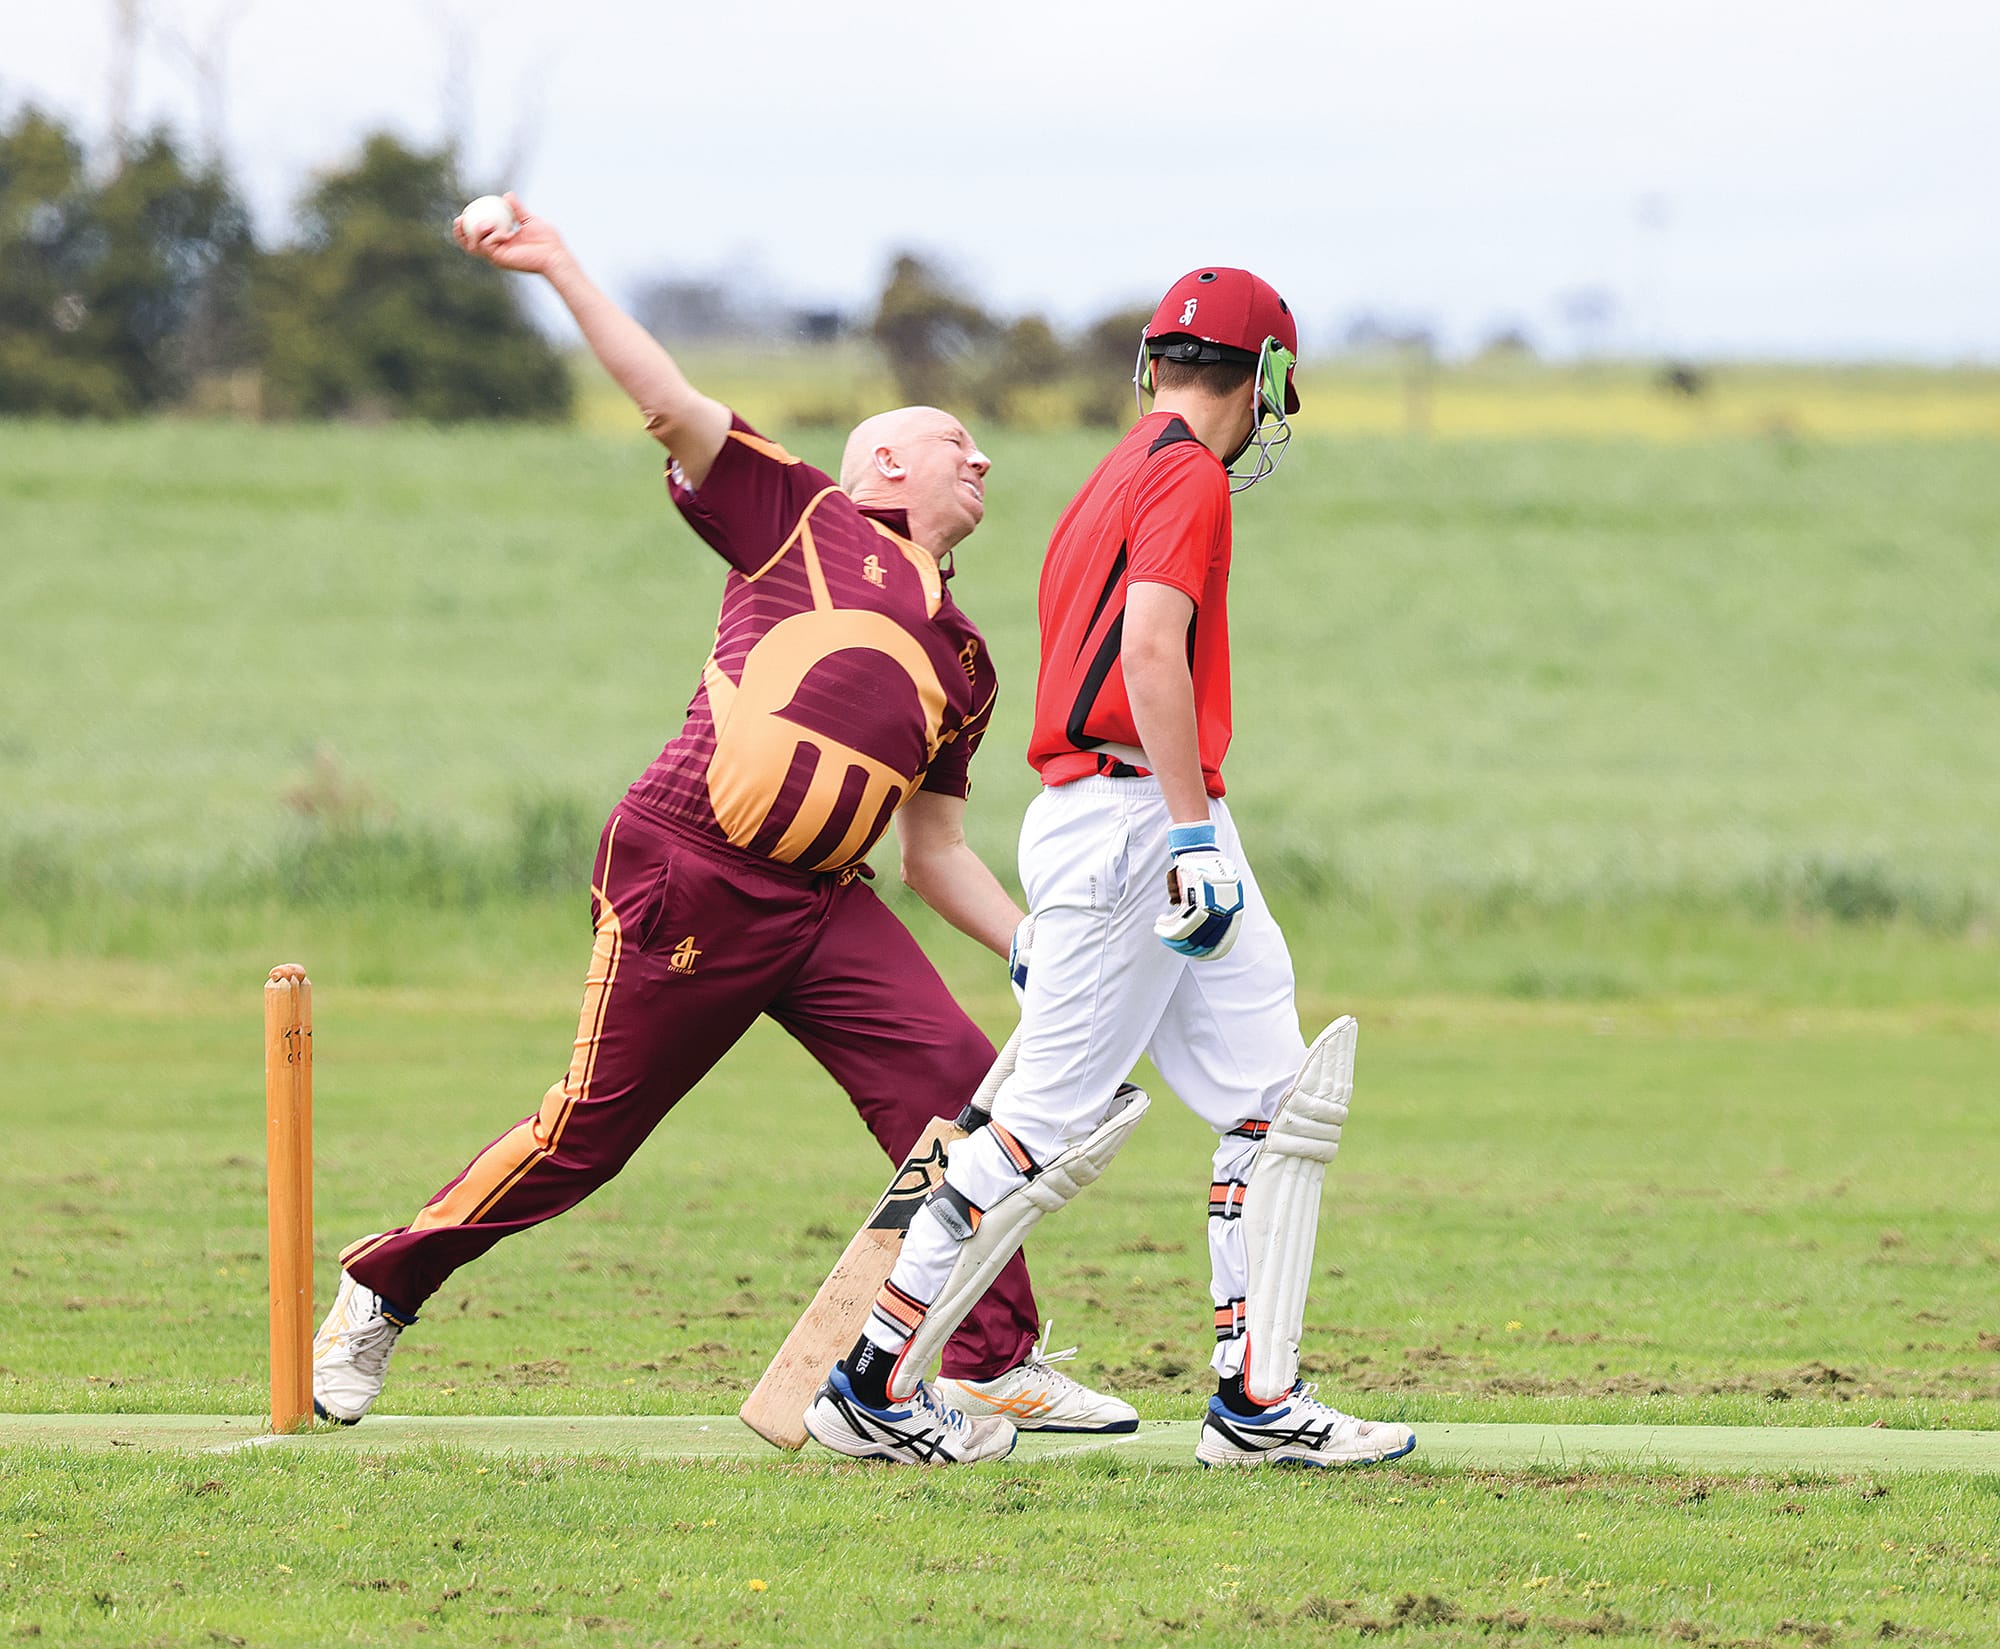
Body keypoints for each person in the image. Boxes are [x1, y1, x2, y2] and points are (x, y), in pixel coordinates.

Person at [309, 194, 1133, 1447]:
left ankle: (984, 1356)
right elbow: (666, 398)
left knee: (959, 1086)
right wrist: (558, 266)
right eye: (956, 441)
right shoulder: (798, 513)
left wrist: (1038, 949)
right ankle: (381, 1282)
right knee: (586, 1134)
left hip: (824, 904)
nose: (983, 461)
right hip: (690, 869)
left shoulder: (966, 657)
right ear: (885, 467)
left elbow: (936, 853)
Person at [809, 268, 1417, 1470]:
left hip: (1138, 813)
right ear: (1273, 377)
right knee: (1041, 1126)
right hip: (1134, 816)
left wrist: (1193, 830)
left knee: (1276, 1104)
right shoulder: (1186, 472)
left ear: (1152, 365)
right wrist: (1191, 838)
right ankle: (869, 1381)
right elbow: (1148, 655)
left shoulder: (1116, 469)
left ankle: (1258, 1403)